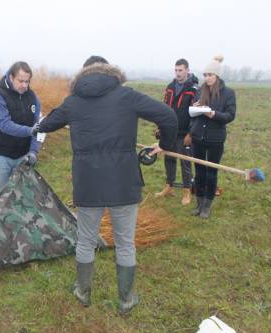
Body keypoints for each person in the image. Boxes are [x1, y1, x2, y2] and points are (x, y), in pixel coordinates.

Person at [37, 56, 177, 315]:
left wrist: (40, 125)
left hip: (88, 183)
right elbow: (167, 115)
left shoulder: (73, 102)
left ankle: (83, 291)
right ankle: (126, 300)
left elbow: (45, 125)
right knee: (125, 243)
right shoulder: (127, 96)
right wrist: (166, 145)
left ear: (83, 73)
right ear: (109, 72)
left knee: (86, 240)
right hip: (123, 182)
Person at [0, 61, 41, 199]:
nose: (24, 85)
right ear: (11, 77)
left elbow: (39, 127)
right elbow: (5, 125)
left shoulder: (33, 97)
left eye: (27, 82)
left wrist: (33, 151)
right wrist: (30, 131)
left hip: (23, 156)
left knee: (22, 197)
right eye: (20, 81)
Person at [190, 55, 236, 219]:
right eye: (205, 75)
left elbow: (230, 115)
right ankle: (199, 203)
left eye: (210, 75)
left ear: (217, 76)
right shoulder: (199, 91)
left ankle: (207, 205)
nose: (207, 78)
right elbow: (192, 114)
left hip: (215, 139)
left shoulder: (228, 93)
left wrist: (214, 114)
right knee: (199, 171)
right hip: (198, 138)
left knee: (211, 172)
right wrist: (194, 108)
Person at [155, 58, 199, 205]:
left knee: (185, 162)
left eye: (180, 70)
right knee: (169, 159)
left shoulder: (193, 90)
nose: (178, 73)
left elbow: (195, 114)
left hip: (185, 132)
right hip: (170, 131)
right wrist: (160, 126)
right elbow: (164, 108)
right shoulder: (170, 87)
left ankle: (187, 191)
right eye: (176, 70)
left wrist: (190, 134)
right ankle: (169, 186)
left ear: (187, 70)